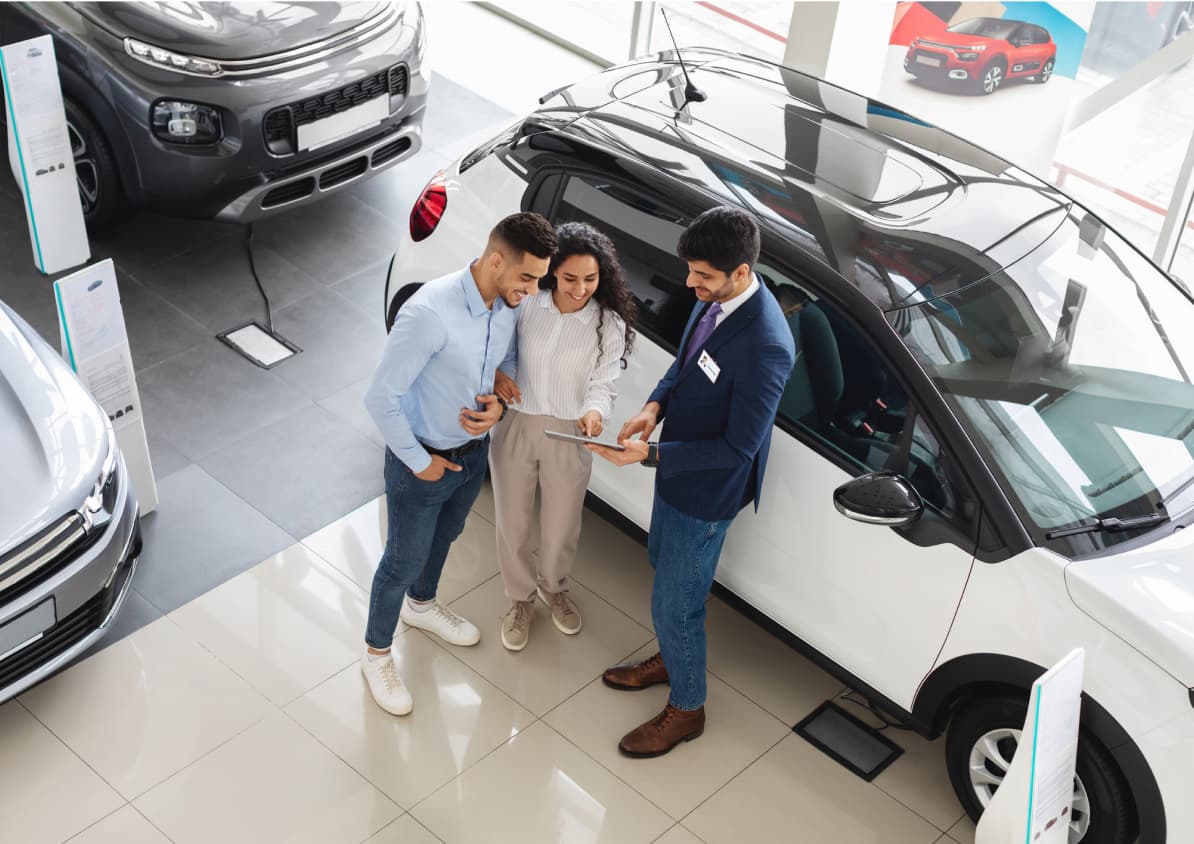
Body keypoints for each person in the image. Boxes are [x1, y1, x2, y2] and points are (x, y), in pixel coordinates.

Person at [586, 206, 796, 757]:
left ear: (741, 273)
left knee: (676, 604)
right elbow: (687, 363)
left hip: (705, 488)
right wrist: (654, 406)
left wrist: (649, 454)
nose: (690, 283)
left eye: (702, 275)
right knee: (665, 572)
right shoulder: (717, 300)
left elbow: (737, 448)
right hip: (676, 466)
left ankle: (687, 707)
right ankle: (673, 657)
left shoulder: (766, 345)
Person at [361, 212, 558, 715]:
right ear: (496, 261)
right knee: (401, 561)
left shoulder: (507, 304)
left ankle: (422, 607)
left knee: (446, 538)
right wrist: (417, 461)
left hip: (473, 457)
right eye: (528, 278)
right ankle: (376, 655)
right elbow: (380, 397)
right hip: (423, 461)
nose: (534, 291)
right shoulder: (430, 313)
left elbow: (505, 359)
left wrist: (500, 396)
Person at [490, 222, 637, 651]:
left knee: (561, 526)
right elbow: (498, 348)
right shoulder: (525, 303)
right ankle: (518, 599)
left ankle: (553, 586)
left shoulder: (608, 324)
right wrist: (498, 373)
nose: (580, 289)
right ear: (553, 271)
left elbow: (604, 383)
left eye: (590, 279)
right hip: (516, 423)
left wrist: (595, 412)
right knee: (512, 523)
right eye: (570, 278)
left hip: (569, 433)